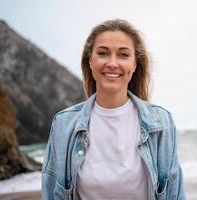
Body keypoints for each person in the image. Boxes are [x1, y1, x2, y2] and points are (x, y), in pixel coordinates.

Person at [42, 19, 186, 200]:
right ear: (91, 62)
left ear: (134, 65)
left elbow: (174, 193)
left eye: (123, 55)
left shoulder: (161, 121)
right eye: (103, 53)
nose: (112, 63)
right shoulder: (63, 124)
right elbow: (50, 193)